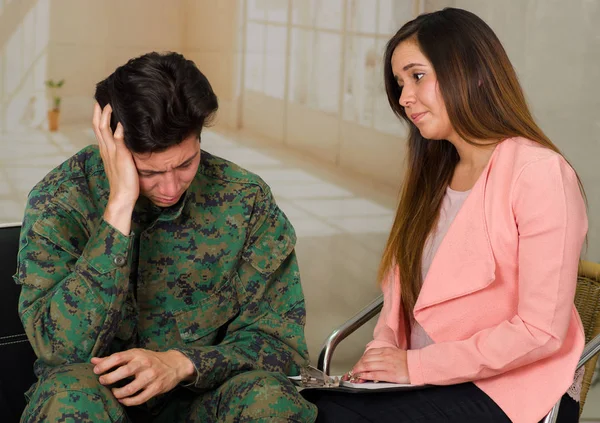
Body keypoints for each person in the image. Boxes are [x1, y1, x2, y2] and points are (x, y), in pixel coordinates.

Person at [301, 8, 587, 423]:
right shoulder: (435, 175)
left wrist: (415, 367)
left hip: (509, 391)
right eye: (400, 84)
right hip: (424, 381)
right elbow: (401, 297)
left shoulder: (539, 173)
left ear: (472, 73)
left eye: (417, 76)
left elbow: (540, 332)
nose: (403, 98)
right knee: (300, 409)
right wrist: (381, 356)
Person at [14, 52, 317, 423]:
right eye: (149, 172)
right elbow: (58, 350)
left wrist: (183, 363)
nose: (171, 187)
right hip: (94, 399)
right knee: (71, 401)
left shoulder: (245, 200)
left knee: (271, 401)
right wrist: (119, 206)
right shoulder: (60, 200)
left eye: (186, 164)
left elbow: (281, 347)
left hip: (200, 401)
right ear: (111, 142)